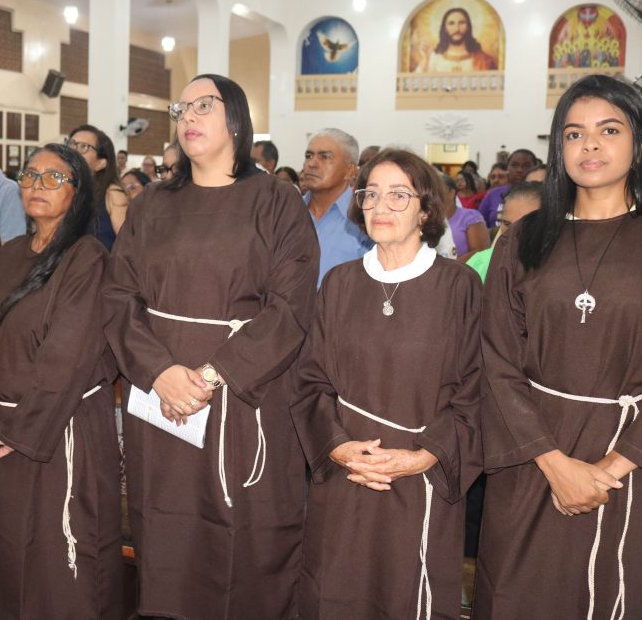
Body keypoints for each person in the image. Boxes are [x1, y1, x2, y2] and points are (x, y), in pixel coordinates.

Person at [474, 74, 642, 619]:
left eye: (609, 130)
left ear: (641, 141)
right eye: (573, 134)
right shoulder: (523, 240)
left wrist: (612, 468)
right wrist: (555, 464)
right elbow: (496, 359)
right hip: (534, 460)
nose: (589, 145)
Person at [104, 74, 318, 619]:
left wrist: (209, 376)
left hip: (241, 395)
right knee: (164, 527)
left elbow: (290, 307)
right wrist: (158, 372)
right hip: (162, 395)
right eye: (182, 109)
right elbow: (118, 296)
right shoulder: (152, 204)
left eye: (204, 105)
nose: (189, 117)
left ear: (237, 120)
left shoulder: (276, 200)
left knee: (243, 535)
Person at [291, 148, 482, 619]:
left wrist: (425, 455)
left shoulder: (459, 287)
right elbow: (311, 380)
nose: (380, 206)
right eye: (371, 194)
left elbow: (477, 387)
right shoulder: (339, 283)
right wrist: (338, 447)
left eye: (399, 195)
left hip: (423, 474)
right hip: (347, 471)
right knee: (337, 589)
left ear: (426, 210)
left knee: (407, 594)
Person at [0, 144, 122, 619]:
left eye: (53, 178)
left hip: (53, 432)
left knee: (54, 566)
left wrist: (16, 432)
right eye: (29, 175)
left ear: (78, 193)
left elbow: (67, 359)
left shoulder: (88, 259)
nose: (36, 185)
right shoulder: (7, 254)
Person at [302, 128, 372, 286]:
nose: (311, 164)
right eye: (309, 156)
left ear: (350, 171)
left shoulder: (364, 218)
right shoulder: (287, 212)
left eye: (324, 157)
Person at [466, 181, 542, 283]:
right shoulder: (479, 262)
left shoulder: (556, 269)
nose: (512, 232)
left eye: (525, 225)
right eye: (506, 223)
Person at [66, 125, 128, 250]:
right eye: (71, 144)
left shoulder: (112, 194)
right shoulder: (63, 190)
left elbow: (128, 247)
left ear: (100, 163)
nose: (73, 150)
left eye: (83, 146)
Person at [416, 7, 497, 73]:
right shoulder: (433, 58)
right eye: (451, 23)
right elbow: (416, 83)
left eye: (461, 23)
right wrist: (425, 60)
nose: (457, 28)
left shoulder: (483, 59)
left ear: (468, 27)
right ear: (445, 28)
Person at [479, 149, 536, 227]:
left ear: (535, 168)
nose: (519, 170)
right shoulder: (493, 194)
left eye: (526, 166)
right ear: (507, 168)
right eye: (514, 165)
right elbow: (480, 225)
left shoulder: (541, 194)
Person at [442, 173, 489, 261]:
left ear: (451, 193)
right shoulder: (427, 218)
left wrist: (449, 267)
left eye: (437, 190)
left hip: (461, 268)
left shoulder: (470, 217)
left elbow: (480, 251)